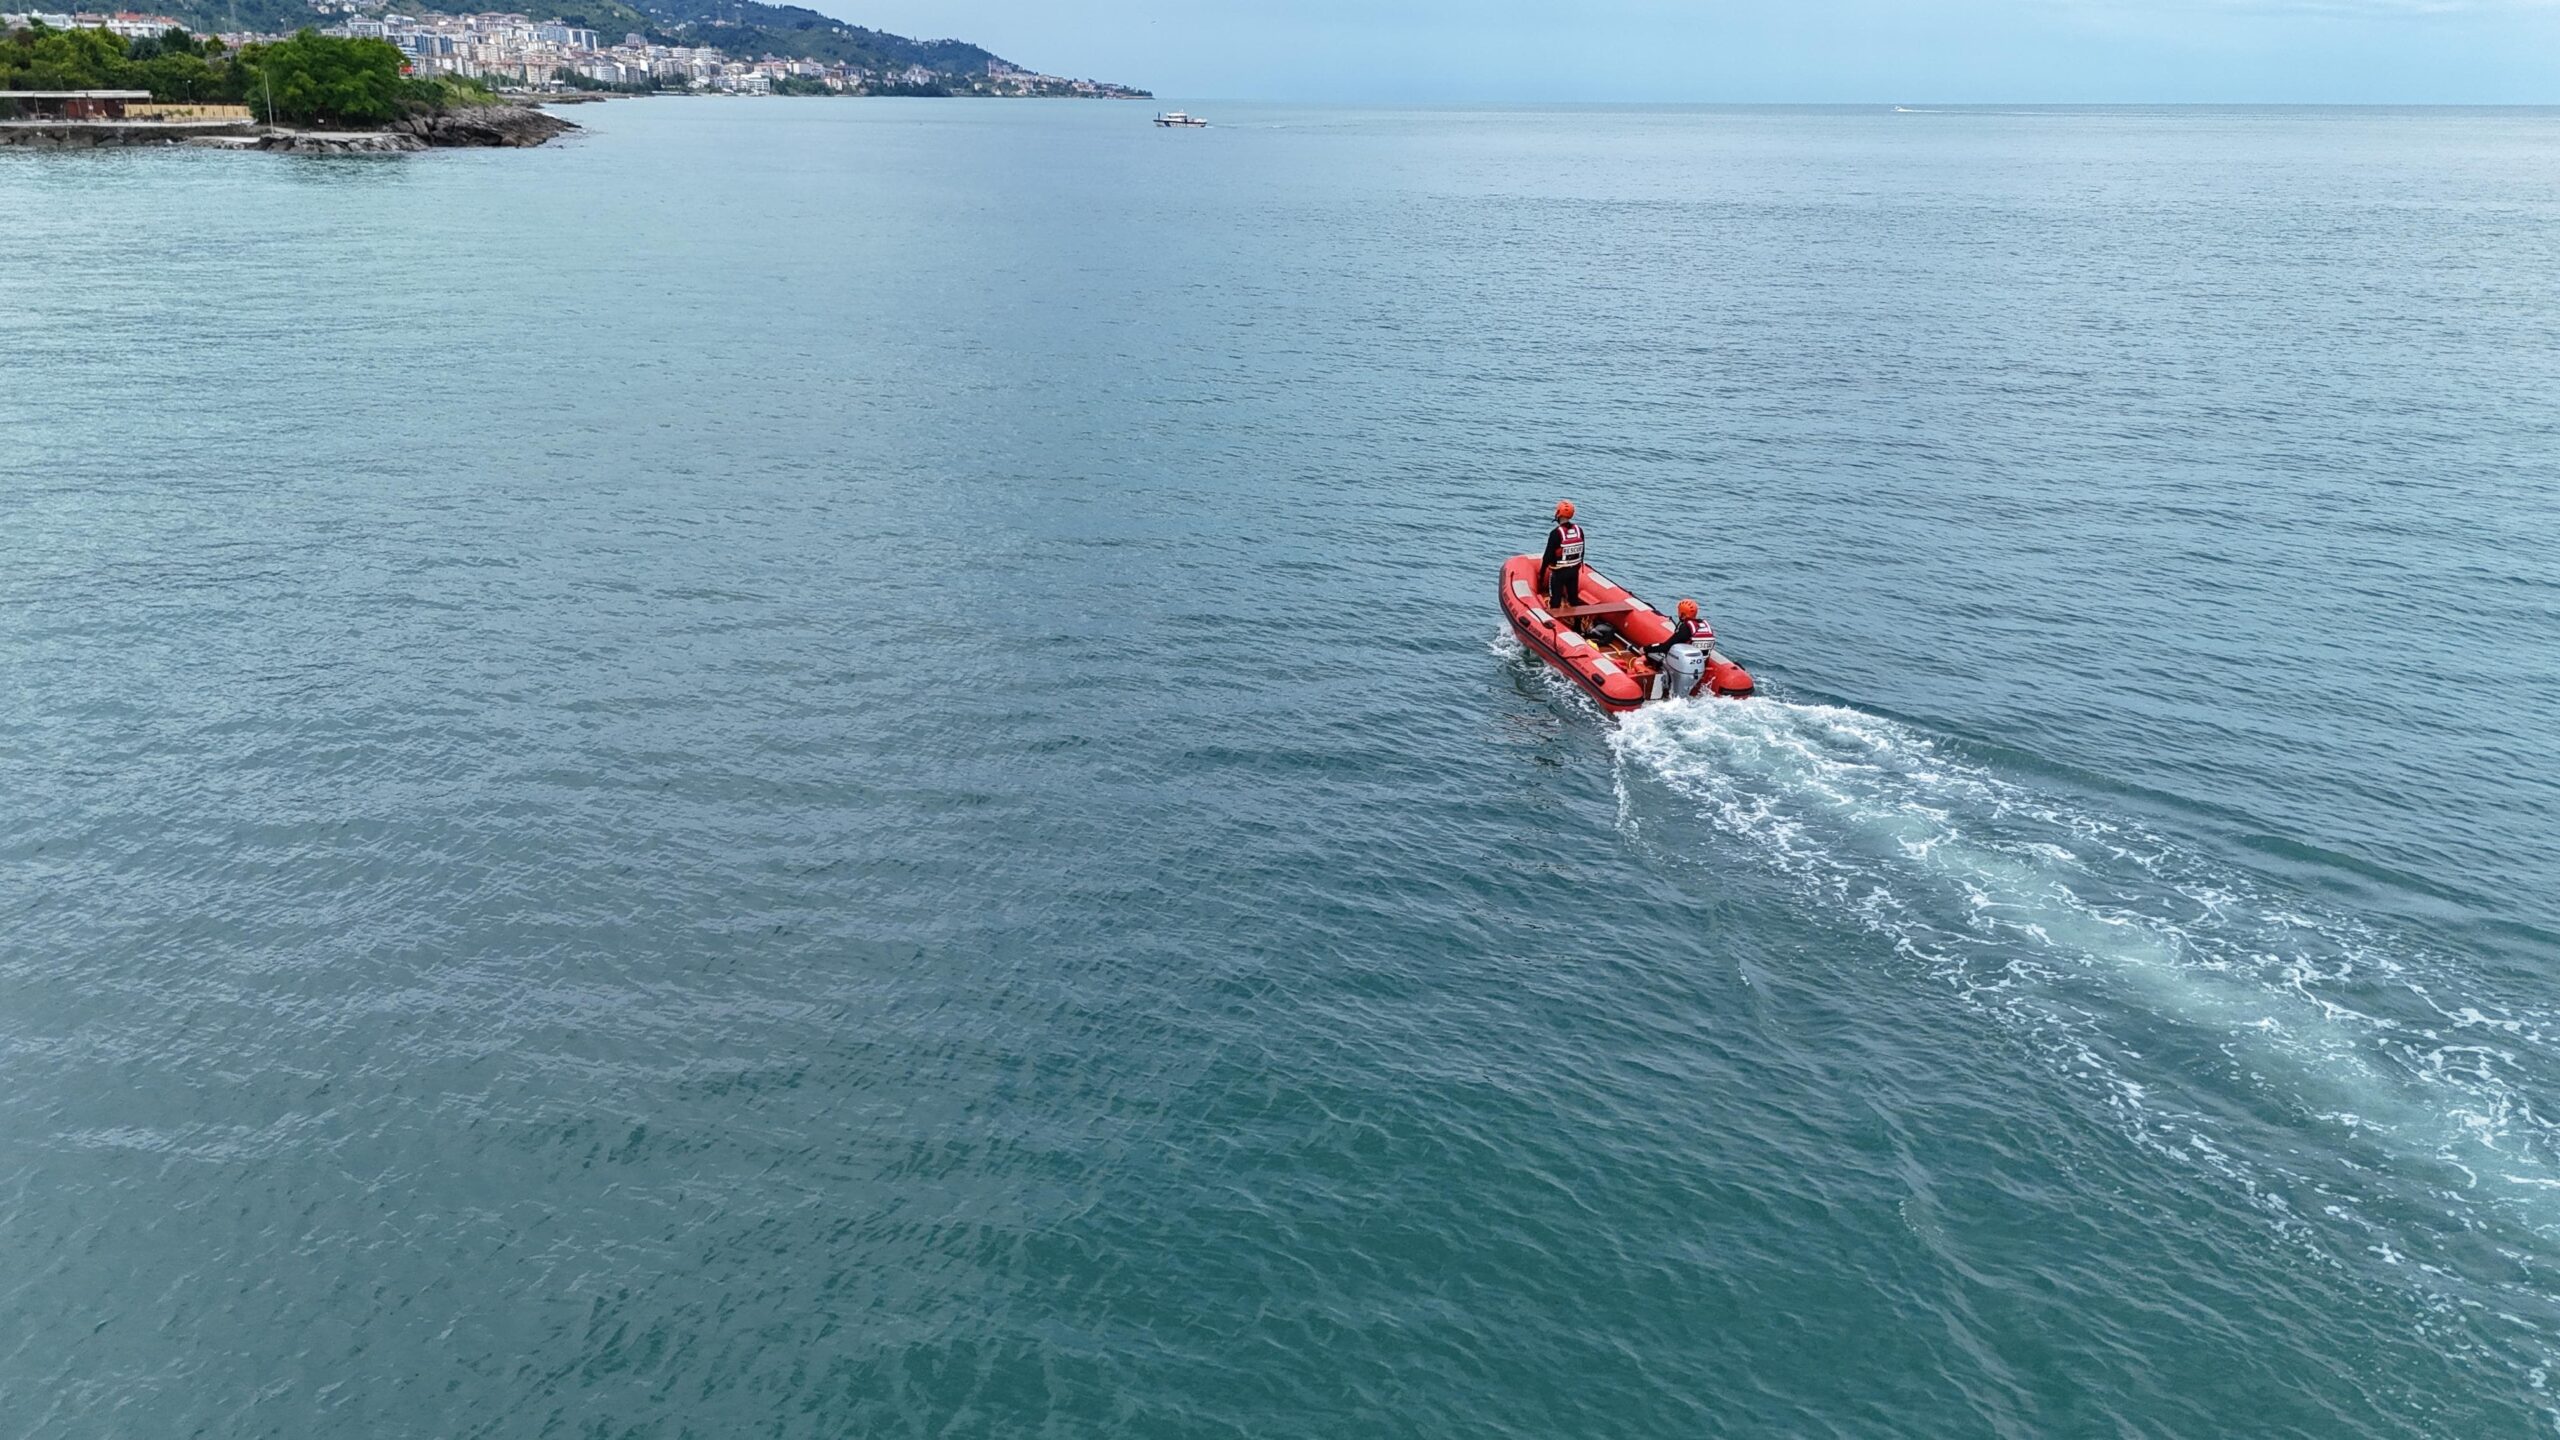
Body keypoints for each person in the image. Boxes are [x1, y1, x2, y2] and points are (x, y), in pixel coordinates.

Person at [1540, 500, 1585, 611]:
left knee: (1555, 601)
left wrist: (1541, 574)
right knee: (1573, 599)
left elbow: (1547, 556)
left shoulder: (1555, 533)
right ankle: (1577, 620)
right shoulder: (1579, 530)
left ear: (1558, 513)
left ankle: (1554, 619)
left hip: (1559, 573)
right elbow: (1582, 552)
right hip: (1574, 571)